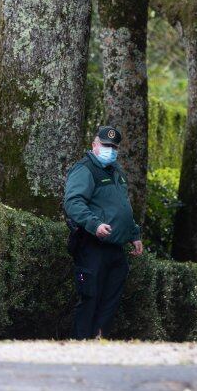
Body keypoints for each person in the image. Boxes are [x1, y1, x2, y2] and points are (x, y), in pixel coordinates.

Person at [63, 126, 144, 340]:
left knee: (111, 299)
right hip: (92, 245)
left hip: (115, 248)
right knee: (89, 297)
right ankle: (80, 343)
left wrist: (134, 234)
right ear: (94, 145)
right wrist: (94, 224)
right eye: (106, 145)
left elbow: (122, 205)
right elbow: (73, 202)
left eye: (114, 147)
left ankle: (99, 343)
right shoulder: (85, 169)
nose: (110, 149)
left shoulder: (116, 171)